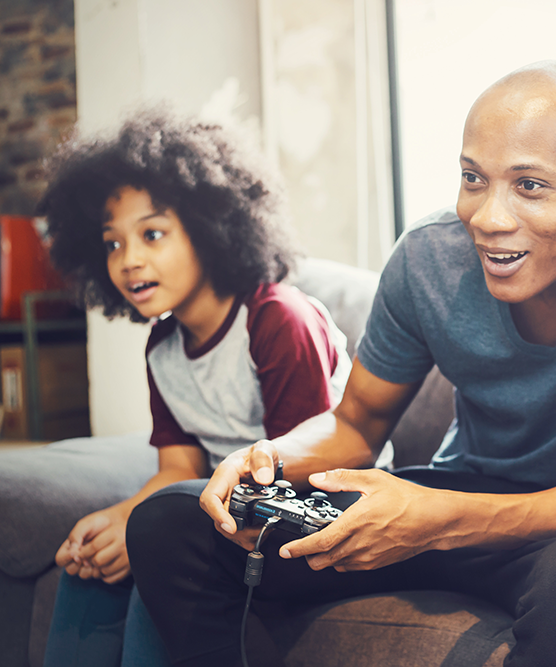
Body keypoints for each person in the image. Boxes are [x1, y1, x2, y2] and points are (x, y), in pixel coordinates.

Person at [125, 60, 556, 667]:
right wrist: (272, 455)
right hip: (461, 489)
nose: (489, 218)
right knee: (173, 522)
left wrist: (443, 522)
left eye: (530, 185)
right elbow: (357, 423)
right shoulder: (426, 257)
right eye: (474, 178)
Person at [37, 107, 352, 667]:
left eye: (152, 234)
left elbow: (309, 471)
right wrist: (119, 519)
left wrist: (146, 531)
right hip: (215, 507)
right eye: (112, 244)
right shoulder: (162, 345)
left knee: (159, 555)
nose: (129, 260)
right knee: (90, 563)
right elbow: (177, 468)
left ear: (211, 228)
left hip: (317, 509)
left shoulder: (278, 321)